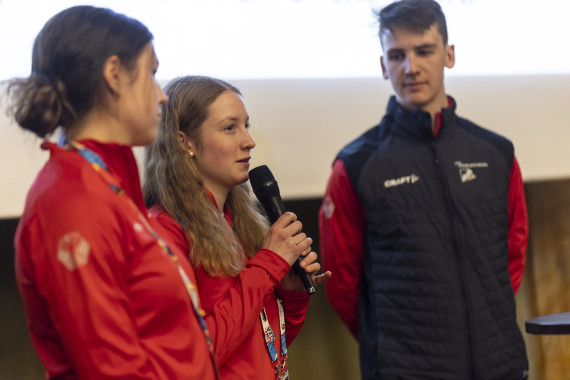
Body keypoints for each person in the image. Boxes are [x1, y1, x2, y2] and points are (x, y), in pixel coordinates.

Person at [8, 6, 310, 380]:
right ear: (114, 75)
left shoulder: (107, 187)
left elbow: (178, 342)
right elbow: (114, 368)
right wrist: (267, 266)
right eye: (151, 74)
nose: (161, 96)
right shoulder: (73, 201)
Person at [319, 0, 529, 379]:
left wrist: (480, 319)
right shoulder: (355, 165)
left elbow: (511, 257)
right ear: (383, 66)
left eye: (424, 51)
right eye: (397, 55)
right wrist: (393, 347)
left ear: (448, 55)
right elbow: (342, 283)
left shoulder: (496, 153)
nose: (410, 67)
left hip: (500, 364)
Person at [143, 75, 331, 379]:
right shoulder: (164, 232)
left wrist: (291, 294)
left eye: (246, 125)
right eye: (230, 128)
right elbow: (201, 352)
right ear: (185, 141)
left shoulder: (241, 224)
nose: (249, 141)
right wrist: (269, 264)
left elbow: (260, 349)